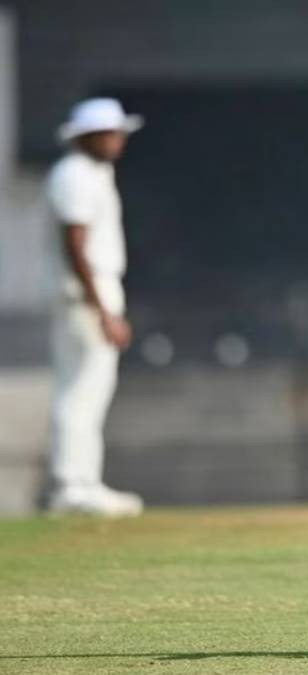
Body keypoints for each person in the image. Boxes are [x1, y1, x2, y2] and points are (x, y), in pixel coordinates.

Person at [44, 97, 144, 516]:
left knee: (89, 390)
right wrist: (101, 308)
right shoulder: (76, 175)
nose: (117, 141)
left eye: (118, 133)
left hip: (92, 291)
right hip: (87, 294)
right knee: (82, 391)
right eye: (109, 134)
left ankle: (83, 481)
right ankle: (73, 484)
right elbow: (76, 245)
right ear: (87, 137)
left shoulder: (92, 173)